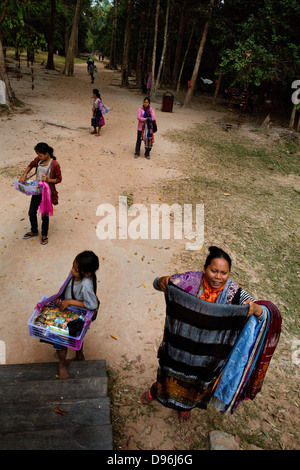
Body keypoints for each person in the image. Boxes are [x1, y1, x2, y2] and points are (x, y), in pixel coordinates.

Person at [141, 246, 275, 423]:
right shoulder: (191, 281)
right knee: (169, 373)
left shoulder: (234, 293)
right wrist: (162, 281)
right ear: (205, 269)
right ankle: (155, 392)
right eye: (214, 271)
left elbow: (263, 314)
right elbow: (158, 283)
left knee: (198, 382)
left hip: (209, 354)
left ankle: (185, 406)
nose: (218, 277)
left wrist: (256, 308)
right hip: (181, 345)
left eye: (224, 273)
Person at [51, 251, 100, 379]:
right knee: (77, 335)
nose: (72, 271)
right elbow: (67, 286)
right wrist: (61, 298)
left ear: (87, 274)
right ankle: (79, 355)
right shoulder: (76, 274)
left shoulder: (86, 285)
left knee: (60, 338)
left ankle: (62, 365)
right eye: (72, 266)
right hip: (69, 309)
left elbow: (92, 305)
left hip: (76, 314)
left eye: (75, 270)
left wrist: (69, 302)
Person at [19, 142, 62, 245]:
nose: (38, 157)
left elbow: (59, 179)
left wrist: (48, 180)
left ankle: (44, 235)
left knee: (45, 215)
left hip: (47, 193)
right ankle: (34, 230)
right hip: (37, 191)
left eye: (40, 155)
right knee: (31, 212)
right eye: (38, 155)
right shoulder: (38, 160)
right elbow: (31, 165)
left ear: (47, 153)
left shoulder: (54, 164)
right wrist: (24, 175)